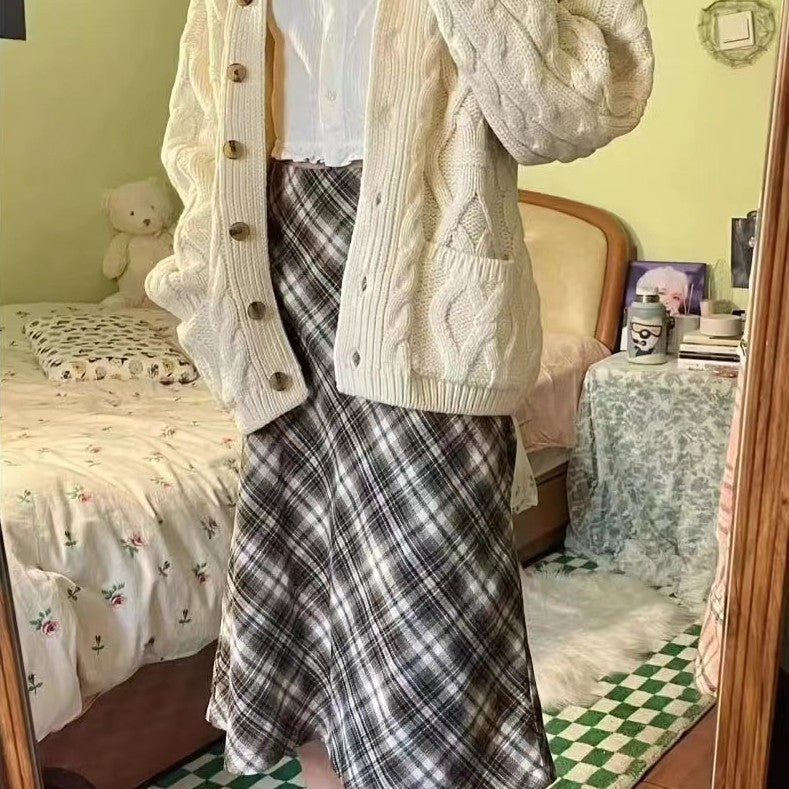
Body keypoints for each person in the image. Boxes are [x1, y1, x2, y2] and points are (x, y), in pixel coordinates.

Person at [147, 1, 654, 786]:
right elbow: (198, 130)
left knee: (434, 619)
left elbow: (577, 106)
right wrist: (198, 291)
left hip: (431, 290)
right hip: (270, 285)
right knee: (306, 609)